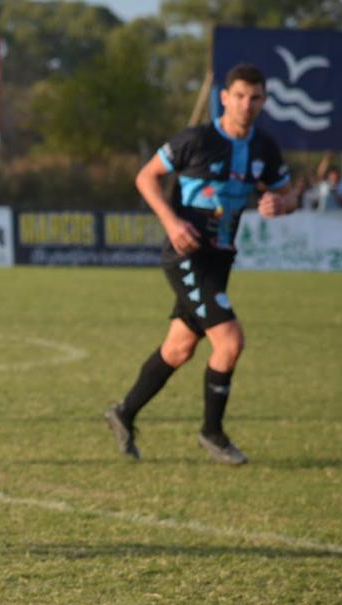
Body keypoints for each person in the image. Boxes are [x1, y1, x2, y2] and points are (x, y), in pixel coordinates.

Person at [104, 63, 297, 466]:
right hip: (186, 255)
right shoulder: (196, 139)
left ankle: (123, 412)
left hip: (220, 260)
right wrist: (172, 222)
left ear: (264, 101)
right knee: (230, 341)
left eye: (255, 97)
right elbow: (146, 177)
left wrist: (280, 203)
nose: (247, 104)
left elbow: (286, 193)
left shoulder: (265, 148)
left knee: (178, 348)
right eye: (240, 96)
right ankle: (213, 433)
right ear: (224, 98)